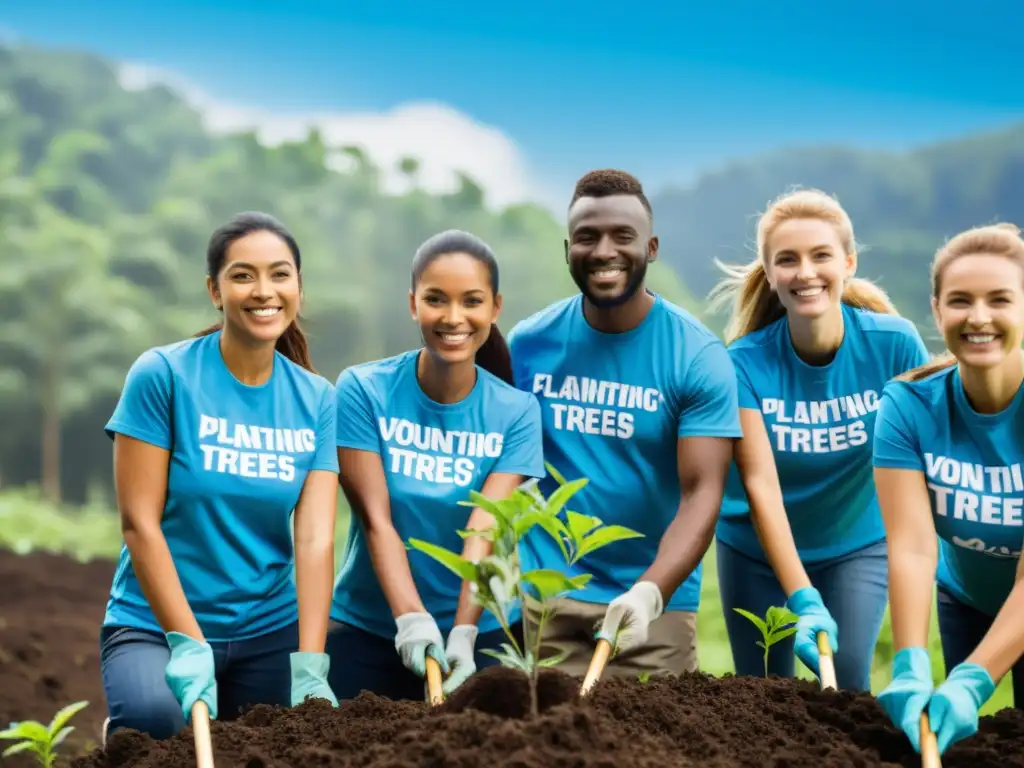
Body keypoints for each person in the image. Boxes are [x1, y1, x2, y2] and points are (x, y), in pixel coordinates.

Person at [99, 212, 340, 744]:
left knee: (301, 740)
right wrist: (187, 641)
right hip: (155, 626)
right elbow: (139, 523)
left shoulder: (318, 399)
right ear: (214, 289)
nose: (263, 291)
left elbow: (316, 536)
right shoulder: (163, 375)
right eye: (242, 275)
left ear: (298, 286)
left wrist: (311, 663)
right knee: (157, 723)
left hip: (267, 628)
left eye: (280, 274)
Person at [506, 169, 741, 678]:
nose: (604, 250)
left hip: (653, 608)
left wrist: (651, 593)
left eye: (623, 237)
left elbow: (703, 491)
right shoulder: (527, 345)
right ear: (567, 248)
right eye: (587, 237)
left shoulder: (697, 357)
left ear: (651, 248)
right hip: (545, 600)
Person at [708, 188, 929, 691]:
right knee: (761, 694)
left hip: (856, 544)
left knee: (846, 682)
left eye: (821, 255)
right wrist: (802, 598)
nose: (805, 272)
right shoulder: (742, 363)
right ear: (769, 275)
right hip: (755, 551)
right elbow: (760, 484)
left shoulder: (895, 344)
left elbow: (922, 454)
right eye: (787, 260)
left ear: (847, 263)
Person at [325, 229, 545, 700]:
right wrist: (410, 618)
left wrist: (463, 633)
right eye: (435, 299)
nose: (453, 318)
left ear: (495, 308)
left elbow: (484, 528)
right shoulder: (364, 390)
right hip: (370, 627)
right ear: (412, 304)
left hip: (483, 632)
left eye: (471, 301)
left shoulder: (517, 411)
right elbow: (376, 519)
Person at [874, 222, 1024, 756]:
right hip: (964, 596)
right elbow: (913, 546)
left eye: (999, 299)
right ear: (937, 311)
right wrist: (912, 661)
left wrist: (973, 678)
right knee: (961, 749)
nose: (978, 317)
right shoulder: (907, 406)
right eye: (961, 301)